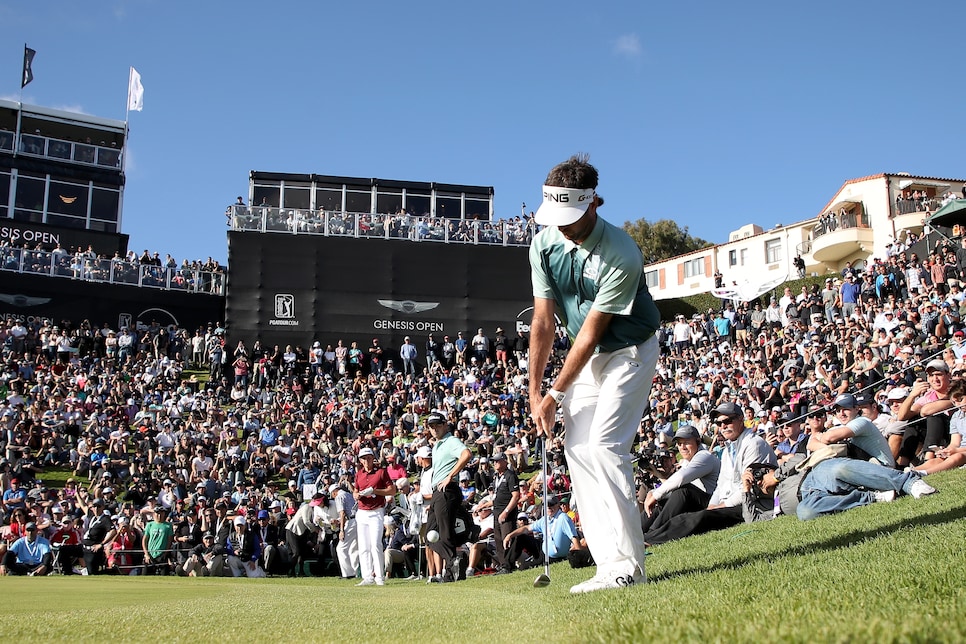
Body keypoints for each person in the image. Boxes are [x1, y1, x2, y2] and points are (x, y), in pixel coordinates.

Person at [527, 154, 661, 593]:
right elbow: (544, 323)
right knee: (578, 452)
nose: (561, 226)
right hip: (588, 360)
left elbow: (588, 334)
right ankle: (608, 567)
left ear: (593, 204)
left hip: (629, 351)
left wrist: (556, 394)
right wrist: (535, 393)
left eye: (570, 216)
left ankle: (631, 567)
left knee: (605, 448)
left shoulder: (621, 251)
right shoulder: (544, 244)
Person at [643, 402, 777, 546]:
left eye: (727, 421)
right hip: (725, 502)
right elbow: (721, 484)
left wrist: (721, 505)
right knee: (680, 503)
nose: (723, 426)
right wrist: (713, 504)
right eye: (719, 423)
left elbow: (750, 488)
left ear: (740, 419)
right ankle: (643, 535)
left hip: (747, 504)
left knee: (693, 515)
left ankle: (649, 539)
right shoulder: (728, 450)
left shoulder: (753, 444)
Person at [640, 425, 720, 536]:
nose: (682, 447)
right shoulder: (689, 461)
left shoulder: (704, 456)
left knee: (683, 491)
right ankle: (634, 532)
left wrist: (655, 495)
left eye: (686, 442)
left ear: (697, 441)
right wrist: (653, 493)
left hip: (712, 505)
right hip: (696, 502)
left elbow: (680, 479)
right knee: (662, 500)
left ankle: (652, 534)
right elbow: (672, 483)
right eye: (679, 444)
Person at [425, 411, 471, 583]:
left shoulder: (451, 441)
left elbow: (466, 454)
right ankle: (453, 564)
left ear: (445, 424)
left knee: (445, 533)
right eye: (431, 426)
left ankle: (453, 567)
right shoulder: (437, 445)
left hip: (447, 489)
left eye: (437, 425)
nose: (434, 429)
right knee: (430, 535)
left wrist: (451, 475)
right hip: (439, 492)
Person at [353, 447, 395, 586]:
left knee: (376, 544)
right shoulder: (359, 474)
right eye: (364, 458)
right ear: (360, 460)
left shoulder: (381, 472)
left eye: (369, 458)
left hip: (376, 511)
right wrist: (357, 495)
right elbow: (355, 490)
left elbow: (392, 490)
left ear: (373, 458)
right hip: (362, 511)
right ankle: (367, 576)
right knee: (364, 546)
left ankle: (379, 577)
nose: (366, 461)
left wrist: (375, 491)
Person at [489, 451, 520, 574]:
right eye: (494, 461)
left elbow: (516, 496)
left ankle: (508, 565)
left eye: (497, 461)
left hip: (506, 513)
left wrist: (506, 511)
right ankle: (503, 564)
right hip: (496, 512)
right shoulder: (497, 477)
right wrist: (483, 505)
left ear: (504, 461)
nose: (495, 463)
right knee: (498, 539)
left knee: (506, 538)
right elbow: (496, 497)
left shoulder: (510, 476)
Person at [331, 483, 359, 580]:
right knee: (354, 548)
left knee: (341, 548)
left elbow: (342, 513)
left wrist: (342, 530)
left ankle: (348, 574)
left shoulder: (339, 497)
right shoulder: (348, 494)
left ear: (334, 492)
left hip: (352, 522)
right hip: (359, 519)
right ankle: (357, 572)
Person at [143, 505, 174, 575]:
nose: (159, 515)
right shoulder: (149, 525)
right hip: (150, 553)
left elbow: (169, 541)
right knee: (145, 574)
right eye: (157, 513)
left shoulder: (168, 526)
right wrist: (146, 554)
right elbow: (145, 540)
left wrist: (165, 553)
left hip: (162, 554)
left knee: (164, 575)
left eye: (161, 513)